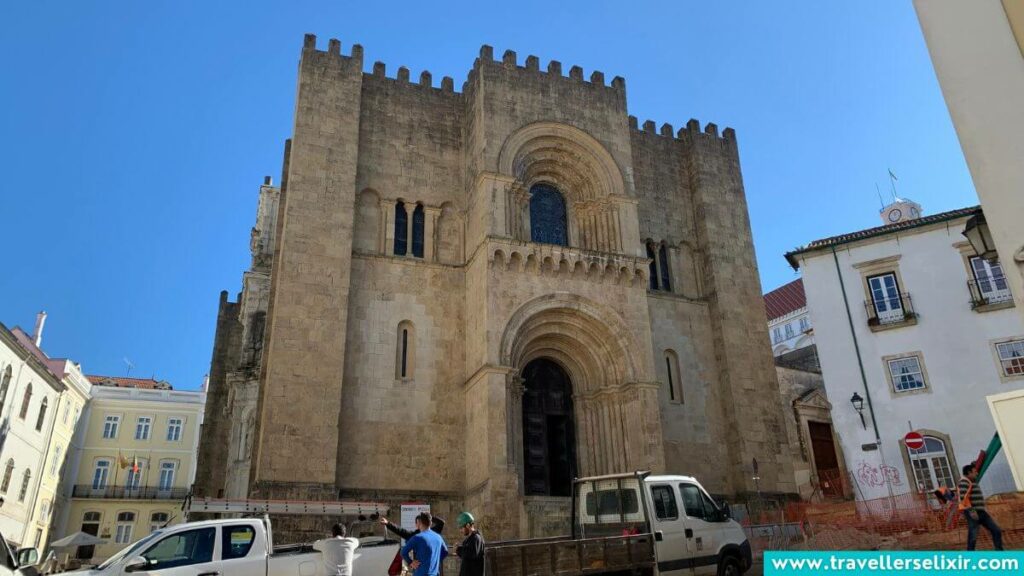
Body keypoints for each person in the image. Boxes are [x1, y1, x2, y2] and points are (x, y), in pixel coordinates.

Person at [959, 464, 1004, 550]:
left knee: (996, 530)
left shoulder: (973, 481)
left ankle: (999, 552)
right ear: (969, 472)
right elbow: (963, 498)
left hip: (981, 512)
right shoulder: (964, 482)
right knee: (973, 535)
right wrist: (972, 511)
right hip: (973, 512)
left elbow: (979, 462)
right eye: (975, 472)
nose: (977, 473)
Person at [454, 511, 484, 576]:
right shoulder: (468, 539)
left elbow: (472, 554)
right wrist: (459, 550)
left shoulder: (476, 538)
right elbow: (466, 555)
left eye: (461, 528)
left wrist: (458, 549)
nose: (460, 531)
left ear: (468, 525)